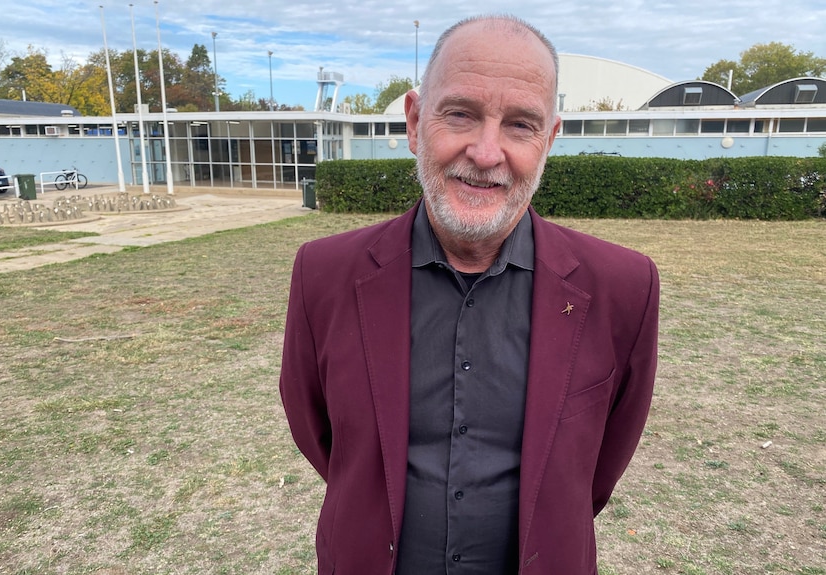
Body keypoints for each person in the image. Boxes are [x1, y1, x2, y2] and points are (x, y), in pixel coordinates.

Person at [280, 14, 660, 575]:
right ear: (414, 122)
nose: (486, 153)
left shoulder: (622, 287)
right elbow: (323, 438)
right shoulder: (324, 273)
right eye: (460, 114)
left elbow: (598, 468)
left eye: (520, 125)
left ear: (549, 139)